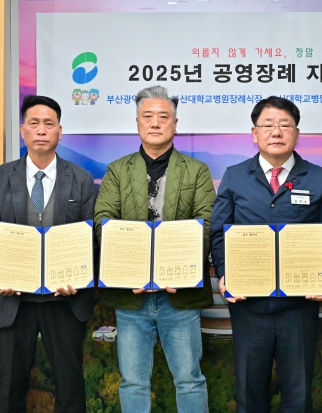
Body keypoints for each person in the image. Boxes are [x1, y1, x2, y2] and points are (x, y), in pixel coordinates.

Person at [209, 96, 322, 413]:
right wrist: (225, 273)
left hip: (299, 306)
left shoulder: (318, 177)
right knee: (250, 395)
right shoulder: (235, 176)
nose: (276, 131)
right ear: (254, 133)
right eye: (268, 124)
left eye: (285, 125)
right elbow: (219, 231)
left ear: (296, 133)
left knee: (298, 396)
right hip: (249, 304)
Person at [94, 85, 215, 413]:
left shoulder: (197, 171)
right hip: (131, 295)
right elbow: (103, 221)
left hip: (180, 294)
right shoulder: (118, 170)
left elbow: (206, 224)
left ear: (175, 124)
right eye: (148, 116)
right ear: (137, 122)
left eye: (164, 116)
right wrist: (130, 268)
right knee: (133, 381)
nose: (155, 122)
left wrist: (179, 268)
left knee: (189, 379)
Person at [0, 95, 96, 412]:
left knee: (70, 386)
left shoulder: (81, 179)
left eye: (49, 124)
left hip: (65, 301)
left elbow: (92, 238)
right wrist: (2, 272)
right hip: (13, 300)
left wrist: (79, 277)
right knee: (10, 386)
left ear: (59, 131)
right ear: (22, 130)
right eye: (34, 123)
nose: (41, 130)